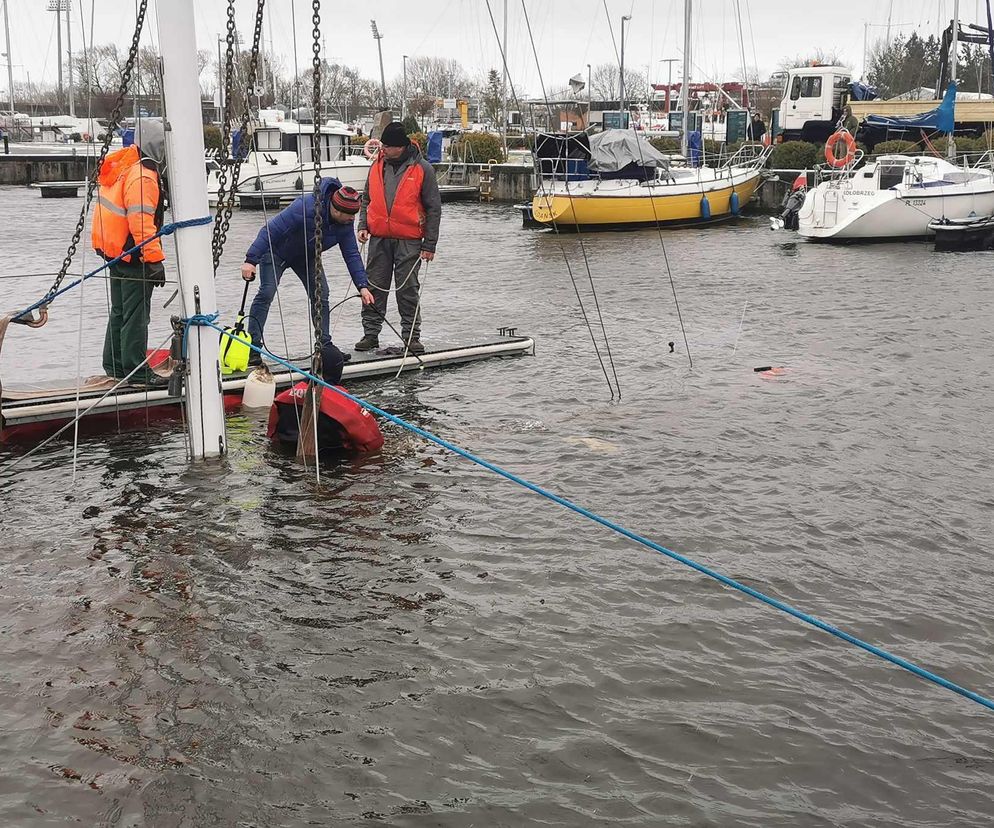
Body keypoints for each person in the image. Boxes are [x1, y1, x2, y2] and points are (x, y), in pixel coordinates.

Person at [241, 179, 374, 384]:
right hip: (275, 252)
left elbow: (351, 254)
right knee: (266, 292)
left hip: (306, 257)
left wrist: (362, 286)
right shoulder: (304, 207)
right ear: (336, 210)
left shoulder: (345, 224)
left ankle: (324, 346)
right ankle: (253, 348)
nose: (351, 220)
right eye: (349, 216)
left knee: (322, 294)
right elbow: (269, 231)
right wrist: (251, 260)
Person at [91, 117, 169, 388]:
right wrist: (155, 259)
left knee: (120, 311)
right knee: (136, 314)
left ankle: (114, 365)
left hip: (115, 252)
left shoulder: (125, 167)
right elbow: (141, 221)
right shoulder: (144, 177)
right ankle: (136, 371)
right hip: (133, 254)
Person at [354, 121, 442, 355]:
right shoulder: (376, 167)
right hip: (379, 238)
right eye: (382, 145)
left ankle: (411, 337)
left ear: (401, 147)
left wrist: (430, 244)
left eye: (388, 146)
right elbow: (366, 199)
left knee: (408, 289)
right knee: (373, 286)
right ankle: (371, 334)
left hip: (410, 239)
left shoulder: (423, 169)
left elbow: (434, 208)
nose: (383, 149)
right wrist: (363, 225)